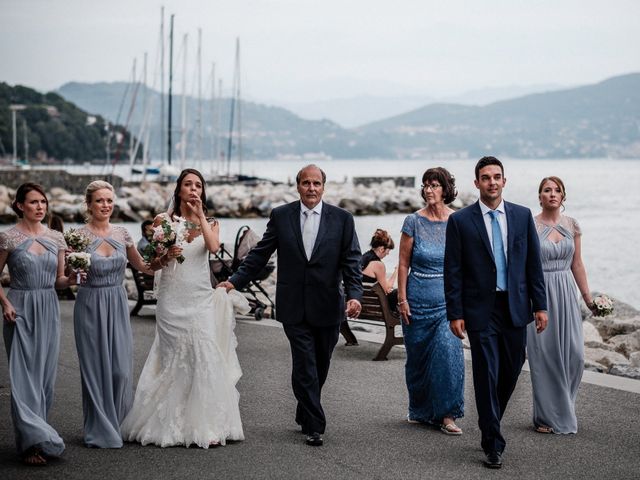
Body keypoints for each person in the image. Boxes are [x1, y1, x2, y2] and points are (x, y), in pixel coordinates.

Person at [218, 164, 363, 447]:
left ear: (323, 187)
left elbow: (352, 262)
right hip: (293, 305)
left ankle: (304, 409)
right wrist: (234, 281)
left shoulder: (343, 219)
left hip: (328, 304)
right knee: (305, 364)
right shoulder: (281, 216)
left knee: (321, 364)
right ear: (298, 186)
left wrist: (354, 295)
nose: (311, 188)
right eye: (306, 183)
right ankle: (315, 425)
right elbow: (261, 253)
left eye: (316, 183)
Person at [121, 168, 247, 448]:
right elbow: (152, 264)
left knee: (202, 352)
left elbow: (214, 248)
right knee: (171, 356)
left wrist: (201, 215)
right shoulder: (161, 221)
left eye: (198, 185)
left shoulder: (211, 222)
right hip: (172, 297)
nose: (193, 189)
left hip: (200, 297)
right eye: (188, 184)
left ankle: (207, 424)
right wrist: (166, 254)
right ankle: (166, 421)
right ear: (178, 189)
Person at [444, 156, 548, 469]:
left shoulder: (521, 215)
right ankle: (492, 441)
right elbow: (453, 270)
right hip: (479, 310)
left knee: (512, 368)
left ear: (504, 181)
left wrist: (540, 305)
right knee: (486, 373)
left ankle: (490, 420)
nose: (492, 182)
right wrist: (455, 312)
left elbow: (533, 264)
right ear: (476, 183)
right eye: (486, 177)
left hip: (515, 306)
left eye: (497, 177)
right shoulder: (461, 221)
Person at [0, 183, 79, 465]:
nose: (40, 207)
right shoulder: (7, 238)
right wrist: (6, 304)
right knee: (23, 378)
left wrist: (70, 279)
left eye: (43, 202)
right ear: (20, 205)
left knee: (45, 378)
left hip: (48, 307)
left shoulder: (56, 238)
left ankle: (40, 438)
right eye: (33, 202)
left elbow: (59, 279)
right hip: (19, 309)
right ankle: (30, 445)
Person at [73, 180, 151, 448]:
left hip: (117, 302)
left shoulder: (122, 234)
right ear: (89, 205)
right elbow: (72, 276)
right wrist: (76, 271)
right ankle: (99, 427)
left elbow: (143, 266)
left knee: (120, 369)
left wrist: (168, 256)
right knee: (95, 368)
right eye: (100, 201)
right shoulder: (78, 236)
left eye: (109, 200)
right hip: (90, 301)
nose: (105, 205)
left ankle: (120, 421)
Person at [396, 167, 464, 435]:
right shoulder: (413, 221)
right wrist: (402, 300)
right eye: (425, 185)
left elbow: (464, 264)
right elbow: (402, 264)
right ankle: (422, 411)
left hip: (446, 303)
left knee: (448, 354)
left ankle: (447, 415)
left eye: (434, 185)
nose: (428, 190)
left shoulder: (458, 221)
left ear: (445, 189)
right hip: (416, 300)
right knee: (418, 360)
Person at [527, 176, 595, 434]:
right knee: (545, 355)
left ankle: (564, 406)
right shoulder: (531, 226)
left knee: (575, 355)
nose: (552, 194)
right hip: (541, 293)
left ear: (563, 197)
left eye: (557, 190)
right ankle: (546, 416)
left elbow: (577, 264)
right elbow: (525, 266)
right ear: (540, 196)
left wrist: (588, 299)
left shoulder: (573, 225)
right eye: (547, 190)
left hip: (567, 292)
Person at [361, 228, 398, 309]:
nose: (388, 253)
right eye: (388, 250)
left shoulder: (363, 258)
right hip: (376, 308)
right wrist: (397, 270)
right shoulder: (378, 265)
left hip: (364, 305)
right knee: (401, 292)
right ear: (382, 249)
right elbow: (387, 289)